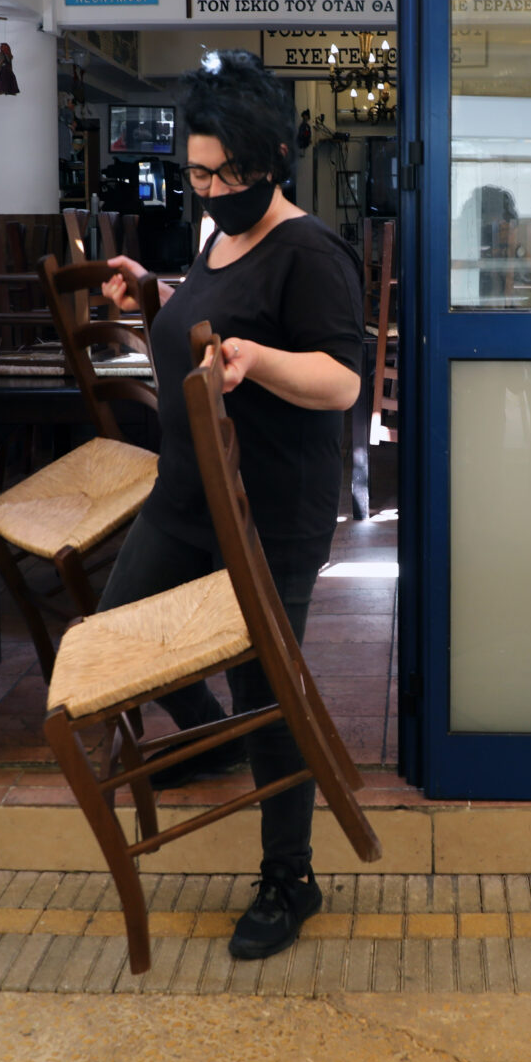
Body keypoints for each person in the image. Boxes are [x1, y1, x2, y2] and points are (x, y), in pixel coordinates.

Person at [98, 49, 363, 961]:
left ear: (273, 161)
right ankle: (213, 739)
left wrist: (258, 360)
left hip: (269, 512)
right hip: (185, 494)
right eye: (198, 173)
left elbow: (342, 381)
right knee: (121, 633)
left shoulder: (311, 253)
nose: (209, 190)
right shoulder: (215, 236)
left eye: (225, 175)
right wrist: (154, 291)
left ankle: (290, 876)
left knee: (269, 691)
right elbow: (210, 310)